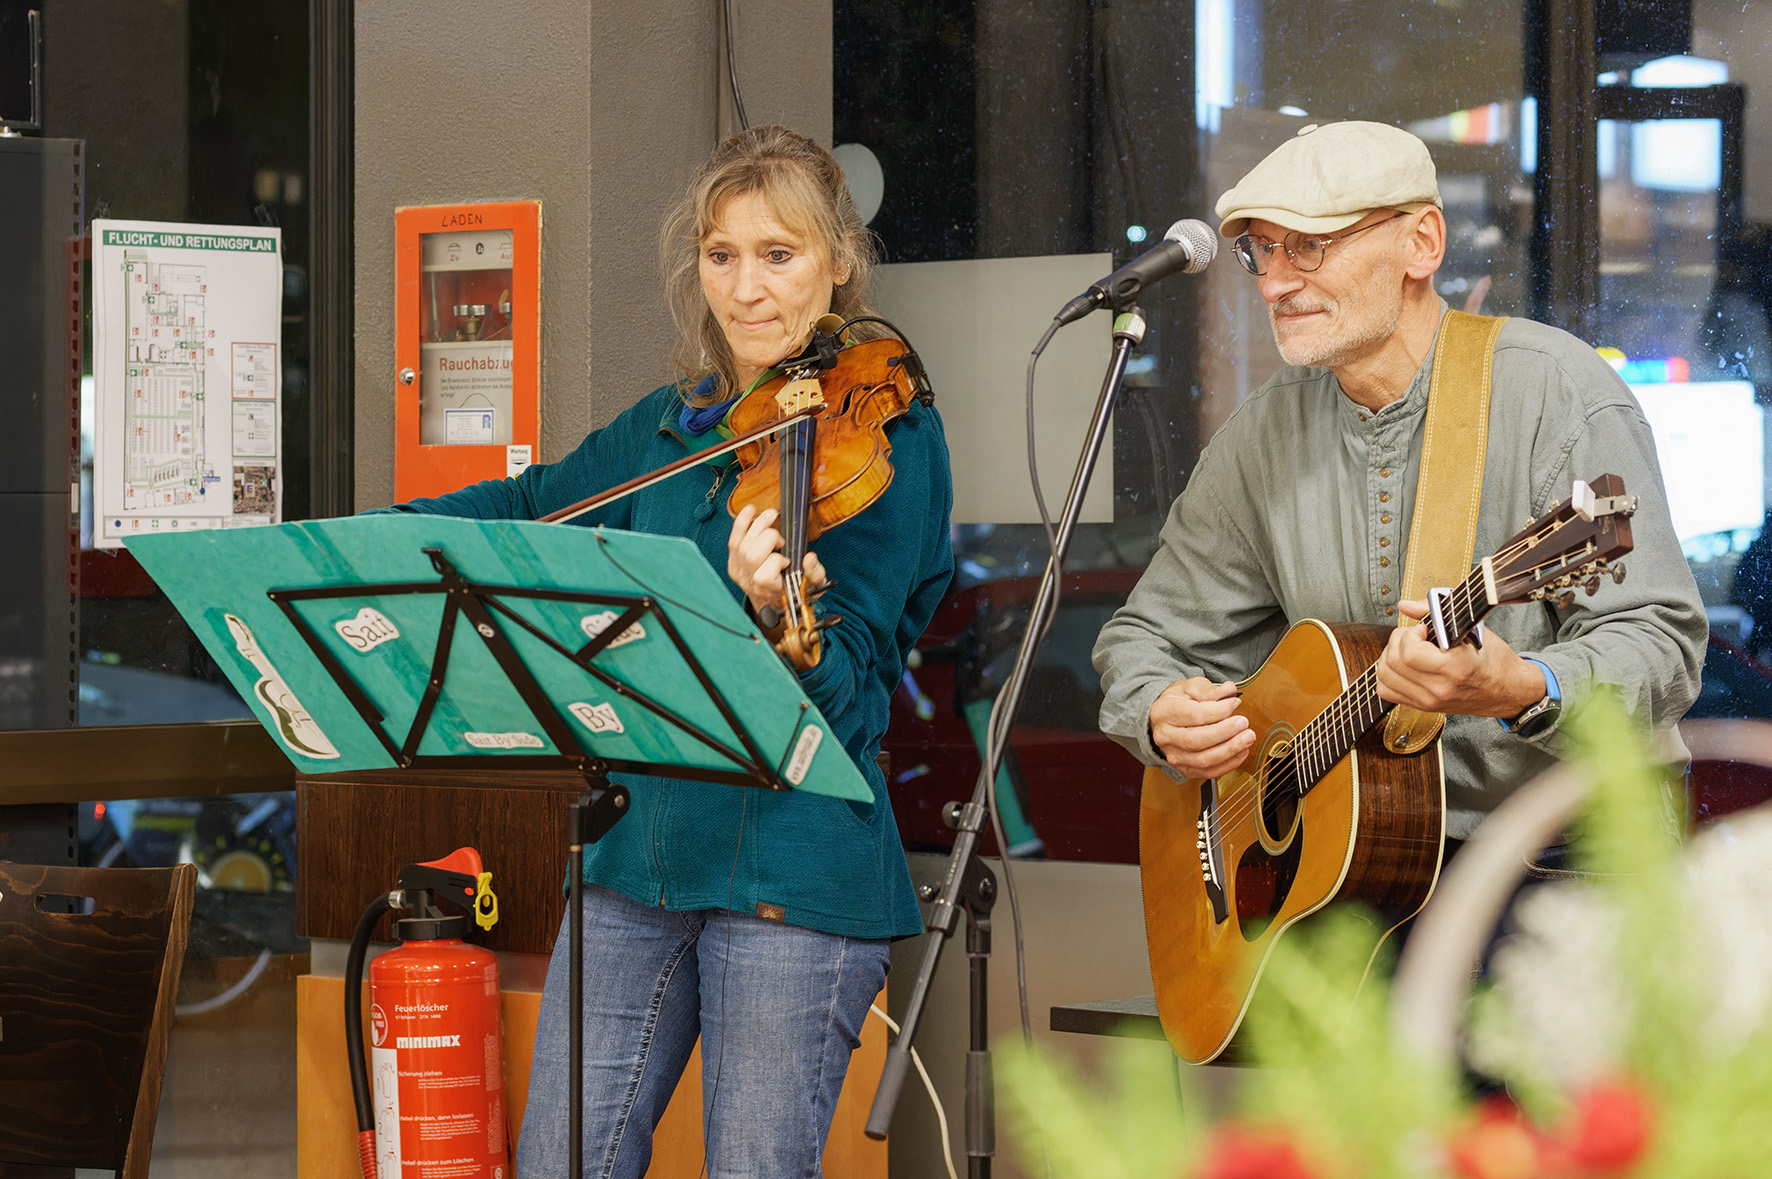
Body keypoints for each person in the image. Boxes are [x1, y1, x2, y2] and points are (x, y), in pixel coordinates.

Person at [378, 125, 954, 1177]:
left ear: (837, 262)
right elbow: (525, 505)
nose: (745, 288)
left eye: (777, 255)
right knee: (563, 1162)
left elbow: (857, 698)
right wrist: (378, 538)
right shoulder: (671, 425)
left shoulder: (883, 434)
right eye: (720, 254)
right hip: (638, 857)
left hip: (794, 869)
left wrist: (783, 622)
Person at [1093, 120, 1706, 842]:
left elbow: (1661, 641)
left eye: (1310, 246)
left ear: (1422, 243)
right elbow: (1143, 637)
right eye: (1261, 251)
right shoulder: (1263, 437)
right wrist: (1161, 709)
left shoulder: (1557, 391)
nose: (1276, 281)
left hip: (1565, 861)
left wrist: (1523, 686)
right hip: (1369, 867)